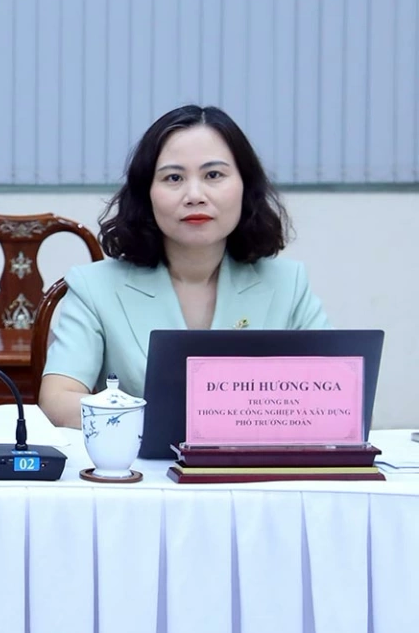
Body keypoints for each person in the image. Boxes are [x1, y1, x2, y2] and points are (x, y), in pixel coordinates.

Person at [37, 105, 328, 428]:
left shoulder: (288, 284)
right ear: (146, 193)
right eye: (173, 178)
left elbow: (341, 398)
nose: (194, 195)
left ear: (246, 185)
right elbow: (58, 400)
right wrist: (173, 422)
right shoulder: (95, 287)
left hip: (256, 473)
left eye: (213, 175)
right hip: (144, 471)